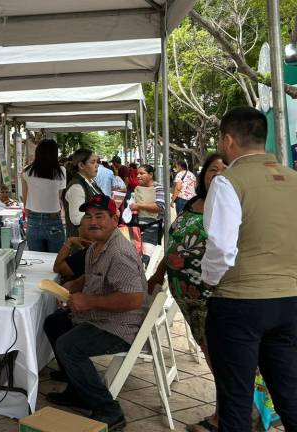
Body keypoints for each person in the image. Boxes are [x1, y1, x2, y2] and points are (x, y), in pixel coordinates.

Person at [201, 107, 297, 431]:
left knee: (236, 401)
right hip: (290, 301)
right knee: (289, 392)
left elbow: (221, 248)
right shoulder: (294, 179)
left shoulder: (228, 182)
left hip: (240, 302)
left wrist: (210, 281)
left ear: (228, 141)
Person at [43, 194, 147, 430]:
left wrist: (89, 302)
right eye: (88, 217)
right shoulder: (97, 247)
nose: (93, 222)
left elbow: (134, 298)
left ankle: (109, 410)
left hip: (121, 326)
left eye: (100, 216)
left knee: (69, 346)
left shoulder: (119, 253)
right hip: (101, 316)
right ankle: (77, 389)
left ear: (114, 219)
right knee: (54, 323)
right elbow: (91, 276)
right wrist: (74, 286)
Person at [147, 154, 226, 431]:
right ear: (204, 175)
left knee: (219, 354)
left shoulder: (231, 206)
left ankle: (224, 415)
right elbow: (175, 242)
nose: (218, 174)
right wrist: (159, 273)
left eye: (225, 169)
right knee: (209, 351)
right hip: (185, 295)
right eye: (213, 169)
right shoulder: (193, 203)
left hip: (212, 295)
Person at [22, 139, 67, 252]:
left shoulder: (26, 171)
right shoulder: (61, 171)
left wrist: (27, 216)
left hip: (33, 220)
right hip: (54, 219)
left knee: (37, 259)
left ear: (38, 152)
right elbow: (59, 196)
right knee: (55, 259)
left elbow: (25, 197)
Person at [63, 148, 103, 239]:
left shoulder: (91, 182)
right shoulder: (76, 187)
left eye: (97, 162)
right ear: (81, 165)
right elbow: (77, 219)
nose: (97, 165)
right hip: (82, 241)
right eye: (92, 162)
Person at [130, 164, 165, 266]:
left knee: (146, 258)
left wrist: (138, 206)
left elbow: (160, 207)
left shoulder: (158, 188)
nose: (138, 176)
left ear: (150, 175)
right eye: (138, 174)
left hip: (152, 227)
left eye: (142, 173)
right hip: (137, 227)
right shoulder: (138, 188)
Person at [52, 216, 93, 281]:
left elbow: (57, 268)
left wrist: (69, 242)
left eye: (80, 226)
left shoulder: (86, 254)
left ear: (89, 230)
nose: (78, 229)